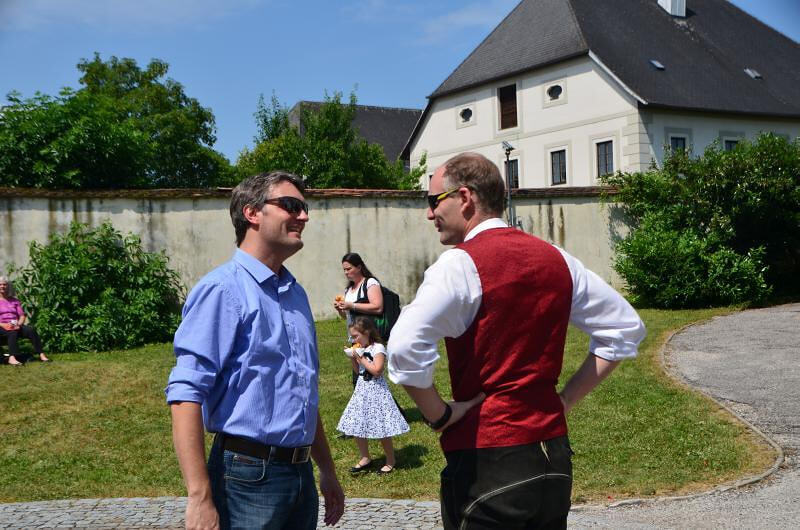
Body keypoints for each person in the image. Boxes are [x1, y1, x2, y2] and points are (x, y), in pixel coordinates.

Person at [387, 153, 646, 529]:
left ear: (464, 198)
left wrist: (439, 414)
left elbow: (403, 346)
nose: (429, 214)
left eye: (433, 201)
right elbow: (624, 328)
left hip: (490, 459)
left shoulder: (460, 264)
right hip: (553, 460)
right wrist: (564, 401)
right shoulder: (556, 258)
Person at [165, 171, 344, 530]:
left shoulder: (295, 295)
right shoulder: (222, 290)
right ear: (252, 213)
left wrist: (326, 469)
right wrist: (199, 496)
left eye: (305, 208)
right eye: (291, 205)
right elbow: (186, 393)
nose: (304, 216)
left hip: (300, 473)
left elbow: (302, 395)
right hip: (246, 476)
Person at [337, 316, 409, 475]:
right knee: (356, 423)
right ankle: (365, 457)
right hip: (362, 391)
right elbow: (359, 371)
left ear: (367, 332)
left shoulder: (378, 348)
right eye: (352, 337)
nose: (354, 340)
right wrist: (353, 359)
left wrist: (361, 358)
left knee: (381, 426)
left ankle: (390, 460)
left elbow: (377, 370)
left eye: (356, 336)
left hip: (376, 392)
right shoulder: (361, 349)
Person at [333, 253, 384, 387]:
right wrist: (341, 310)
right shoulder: (348, 289)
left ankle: (381, 399)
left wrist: (352, 305)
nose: (346, 272)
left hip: (368, 338)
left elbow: (378, 307)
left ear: (359, 267)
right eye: (344, 269)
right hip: (355, 339)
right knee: (360, 378)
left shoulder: (370, 283)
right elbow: (347, 317)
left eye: (349, 269)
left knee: (371, 377)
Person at [0, 276, 50, 365]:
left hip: (15, 325)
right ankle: (12, 358)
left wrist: (18, 325)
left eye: (4, 284)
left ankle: (41, 354)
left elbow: (22, 315)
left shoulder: (14, 300)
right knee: (12, 332)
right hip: (2, 326)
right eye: (0, 285)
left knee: (31, 330)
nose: (2, 286)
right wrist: (4, 325)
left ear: (8, 286)